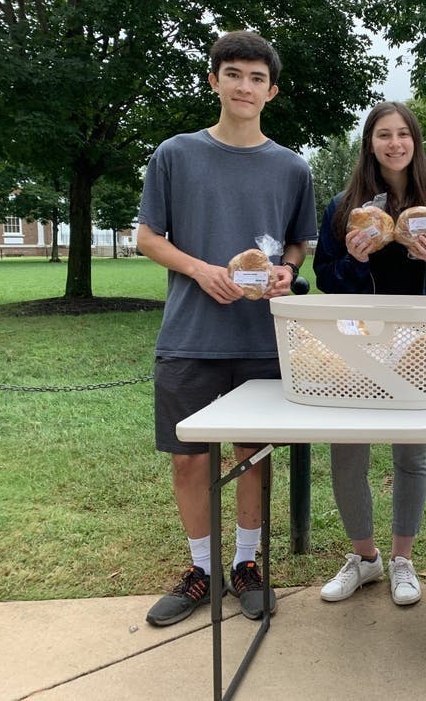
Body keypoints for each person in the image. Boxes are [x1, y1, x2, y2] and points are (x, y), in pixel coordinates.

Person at [136, 30, 317, 627]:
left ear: (272, 91)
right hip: (190, 336)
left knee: (252, 457)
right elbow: (148, 237)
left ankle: (246, 565)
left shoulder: (291, 166)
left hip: (260, 339)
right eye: (233, 74)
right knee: (189, 460)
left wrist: (288, 270)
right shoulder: (175, 154)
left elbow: (299, 242)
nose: (245, 86)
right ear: (214, 80)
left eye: (257, 78)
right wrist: (199, 269)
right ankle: (201, 570)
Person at [313, 102, 426, 605]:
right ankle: (364, 558)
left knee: (410, 453)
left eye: (404, 133)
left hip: (419, 340)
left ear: (415, 141)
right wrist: (355, 260)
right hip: (355, 339)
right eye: (384, 134)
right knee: (347, 452)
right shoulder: (345, 206)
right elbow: (326, 279)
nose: (395, 143)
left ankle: (403, 559)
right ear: (370, 143)